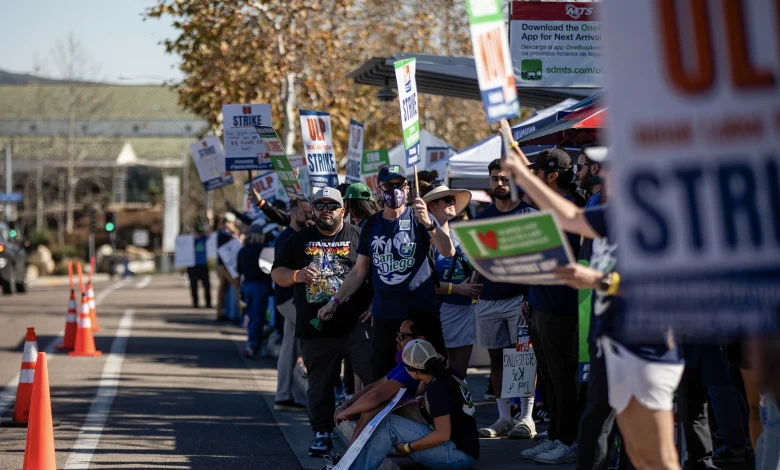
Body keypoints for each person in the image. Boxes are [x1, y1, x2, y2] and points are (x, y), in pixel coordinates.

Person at [502, 136, 685, 470]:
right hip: (608, 338)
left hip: (647, 344)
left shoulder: (651, 215)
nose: (600, 173)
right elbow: (568, 214)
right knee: (594, 426)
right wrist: (524, 176)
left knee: (650, 444)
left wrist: (598, 281)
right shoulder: (605, 211)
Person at [318, 165, 455, 382]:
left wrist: (429, 224)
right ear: (379, 190)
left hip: (421, 312)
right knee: (384, 376)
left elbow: (448, 251)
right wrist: (335, 301)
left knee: (431, 373)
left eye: (399, 185)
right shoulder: (371, 225)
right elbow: (358, 271)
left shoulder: (420, 218)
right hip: (386, 315)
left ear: (407, 188)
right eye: (389, 186)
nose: (395, 190)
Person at [271, 187, 374, 457]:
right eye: (319, 205)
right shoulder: (298, 240)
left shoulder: (359, 236)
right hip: (316, 326)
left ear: (344, 210)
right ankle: (322, 433)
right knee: (320, 384)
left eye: (332, 205)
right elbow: (277, 273)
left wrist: (375, 304)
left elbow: (378, 273)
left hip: (355, 324)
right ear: (312, 211)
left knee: (374, 375)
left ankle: (373, 428)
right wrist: (297, 275)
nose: (325, 210)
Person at [522, 149, 582, 462]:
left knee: (561, 377)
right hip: (540, 303)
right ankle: (556, 434)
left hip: (561, 307)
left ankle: (567, 439)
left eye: (537, 172)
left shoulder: (569, 210)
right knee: (548, 376)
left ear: (552, 175)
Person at [473, 158, 536, 440]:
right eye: (495, 178)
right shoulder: (482, 218)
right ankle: (503, 419)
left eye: (505, 178)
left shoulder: (529, 215)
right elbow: (478, 262)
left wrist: (530, 297)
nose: (500, 183)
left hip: (519, 299)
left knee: (522, 359)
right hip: (488, 299)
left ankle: (526, 418)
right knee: (496, 360)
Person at [348, 339, 479, 470]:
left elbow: (442, 434)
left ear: (415, 371)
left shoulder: (437, 388)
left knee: (389, 425)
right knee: (393, 420)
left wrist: (408, 447)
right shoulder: (444, 375)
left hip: (457, 456)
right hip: (460, 448)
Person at [334, 309, 446, 442]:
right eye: (398, 334)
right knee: (372, 407)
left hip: (431, 428)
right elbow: (374, 386)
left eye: (403, 336)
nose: (397, 339)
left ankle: (349, 459)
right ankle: (349, 459)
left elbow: (376, 395)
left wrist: (345, 413)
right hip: (420, 419)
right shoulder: (414, 360)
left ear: (420, 339)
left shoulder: (418, 365)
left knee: (374, 407)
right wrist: (345, 406)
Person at [420, 180, 480, 379]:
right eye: (447, 199)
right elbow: (421, 282)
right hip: (436, 313)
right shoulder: (421, 239)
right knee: (435, 375)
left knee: (458, 375)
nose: (452, 202)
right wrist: (458, 289)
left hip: (464, 312)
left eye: (453, 198)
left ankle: (459, 410)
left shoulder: (460, 237)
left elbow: (473, 271)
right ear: (432, 206)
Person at [273, 198, 311, 412]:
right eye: (304, 212)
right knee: (316, 335)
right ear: (294, 213)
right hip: (290, 300)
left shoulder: (293, 235)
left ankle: (283, 396)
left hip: (290, 300)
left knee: (289, 349)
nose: (308, 216)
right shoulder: (287, 238)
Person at [237, 224, 273, 358]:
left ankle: (251, 342)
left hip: (246, 286)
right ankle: (253, 345)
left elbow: (239, 270)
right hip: (261, 286)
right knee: (259, 318)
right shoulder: (265, 249)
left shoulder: (243, 250)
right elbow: (269, 271)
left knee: (251, 316)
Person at [216, 213, 241, 321]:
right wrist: (235, 230)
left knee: (223, 289)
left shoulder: (224, 233)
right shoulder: (222, 234)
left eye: (230, 222)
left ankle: (221, 312)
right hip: (225, 266)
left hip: (225, 265)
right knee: (236, 286)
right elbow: (236, 239)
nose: (228, 224)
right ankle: (239, 313)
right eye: (226, 222)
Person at [187, 224, 212, 309]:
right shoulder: (190, 240)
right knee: (193, 285)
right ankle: (195, 302)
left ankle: (208, 303)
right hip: (192, 266)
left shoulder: (204, 238)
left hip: (203, 265)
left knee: (207, 285)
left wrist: (210, 221)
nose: (199, 234)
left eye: (200, 232)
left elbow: (209, 234)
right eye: (198, 232)